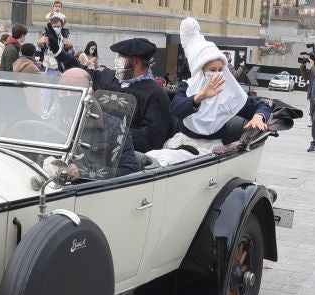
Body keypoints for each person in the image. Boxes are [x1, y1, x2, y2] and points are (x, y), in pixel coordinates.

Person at [150, 18, 270, 165]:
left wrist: (259, 116)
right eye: (212, 70)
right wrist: (200, 97)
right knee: (153, 158)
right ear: (201, 71)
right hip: (183, 143)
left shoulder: (227, 92)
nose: (218, 73)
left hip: (212, 150)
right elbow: (176, 109)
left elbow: (261, 105)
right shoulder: (187, 87)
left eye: (221, 70)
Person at [59, 68, 138, 181]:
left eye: (72, 91)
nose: (65, 96)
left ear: (88, 94)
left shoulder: (116, 128)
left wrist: (84, 171)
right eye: (62, 91)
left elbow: (128, 171)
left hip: (88, 192)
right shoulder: (51, 122)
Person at [104, 38, 172, 153]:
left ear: (135, 62)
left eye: (121, 57)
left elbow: (150, 139)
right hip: (103, 149)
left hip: (130, 156)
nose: (116, 61)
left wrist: (111, 132)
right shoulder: (115, 80)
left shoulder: (155, 94)